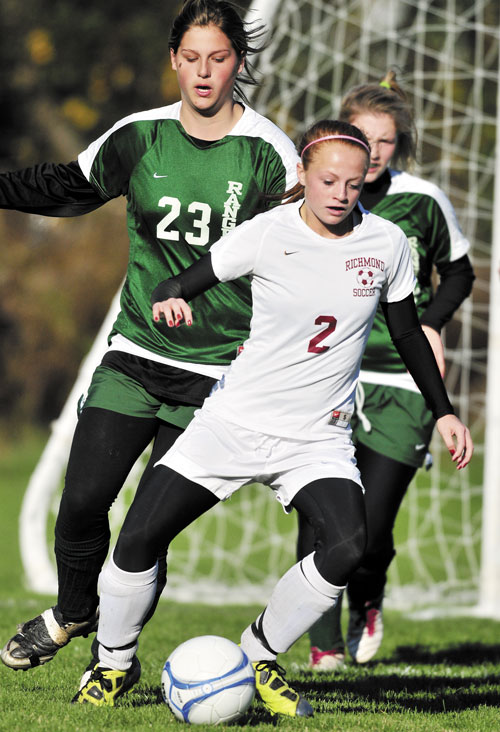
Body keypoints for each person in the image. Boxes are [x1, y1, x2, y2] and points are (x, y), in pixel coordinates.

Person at [71, 120, 472, 717]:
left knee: (347, 545)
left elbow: (408, 332)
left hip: (316, 438)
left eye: (354, 183)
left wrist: (444, 413)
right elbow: (187, 278)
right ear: (304, 175)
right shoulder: (266, 232)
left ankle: (259, 654)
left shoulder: (387, 243)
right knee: (136, 540)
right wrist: (171, 295)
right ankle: (113, 663)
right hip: (232, 423)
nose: (340, 193)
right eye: (329, 179)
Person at [0, 0, 299, 675]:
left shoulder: (271, 155)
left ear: (239, 63)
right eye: (190, 57)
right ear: (173, 60)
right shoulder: (140, 135)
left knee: (146, 531)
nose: (203, 71)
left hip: (218, 374)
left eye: (218, 57)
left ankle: (116, 659)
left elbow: (301, 251)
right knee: (80, 504)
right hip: (135, 355)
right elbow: (69, 187)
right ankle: (74, 613)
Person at [297, 70, 475, 672]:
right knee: (319, 511)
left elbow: (459, 272)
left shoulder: (423, 202)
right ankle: (322, 646)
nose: (372, 154)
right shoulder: (318, 201)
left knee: (368, 531)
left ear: (401, 146)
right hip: (327, 380)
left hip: (402, 384)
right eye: (361, 138)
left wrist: (433, 322)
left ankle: (367, 594)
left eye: (386, 142)